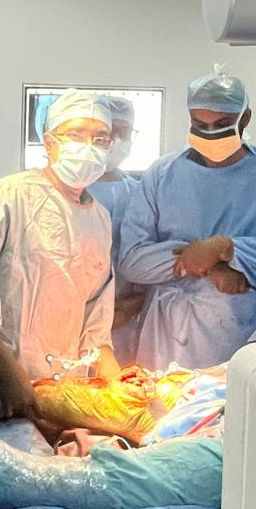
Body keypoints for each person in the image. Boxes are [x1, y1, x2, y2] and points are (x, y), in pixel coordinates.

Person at [0, 89, 119, 422]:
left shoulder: (99, 218)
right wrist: (6, 368)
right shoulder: (13, 195)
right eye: (76, 134)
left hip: (60, 390)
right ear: (49, 143)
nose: (88, 147)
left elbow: (95, 312)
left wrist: (115, 385)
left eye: (100, 138)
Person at [118, 66, 256, 369]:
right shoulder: (162, 175)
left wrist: (229, 249)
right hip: (170, 345)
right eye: (200, 124)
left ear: (245, 118)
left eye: (223, 123)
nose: (210, 133)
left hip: (250, 344)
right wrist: (202, 263)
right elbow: (132, 262)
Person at [87, 95, 146, 361]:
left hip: (131, 320)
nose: (117, 141)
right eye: (111, 132)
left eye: (125, 132)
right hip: (71, 323)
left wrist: (125, 309)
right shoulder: (65, 193)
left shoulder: (141, 193)